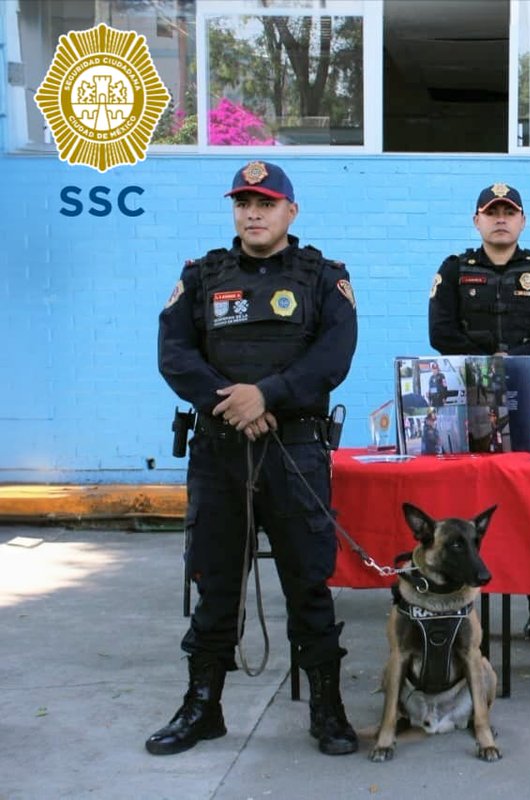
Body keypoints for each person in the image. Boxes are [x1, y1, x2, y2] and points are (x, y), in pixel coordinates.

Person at [152, 161, 359, 757]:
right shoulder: (202, 276)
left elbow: (334, 355)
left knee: (308, 586)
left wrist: (266, 395)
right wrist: (235, 403)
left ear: (291, 211)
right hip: (220, 452)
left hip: (294, 453)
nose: (253, 213)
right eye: (243, 203)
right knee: (216, 586)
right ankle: (202, 707)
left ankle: (327, 709)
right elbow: (174, 353)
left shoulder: (323, 277)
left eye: (266, 203)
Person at [428, 182, 530, 646]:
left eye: (509, 212)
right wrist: (486, 362)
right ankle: (457, 608)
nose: (500, 219)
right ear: (476, 221)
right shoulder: (455, 269)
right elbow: (440, 332)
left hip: (526, 400)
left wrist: (514, 362)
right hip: (465, 402)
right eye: (491, 212)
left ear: (522, 221)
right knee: (465, 502)